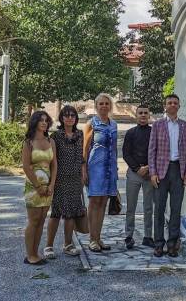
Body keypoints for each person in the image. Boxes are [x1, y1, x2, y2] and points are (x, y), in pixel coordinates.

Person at [148, 94, 186, 258]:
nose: (172, 105)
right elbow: (151, 150)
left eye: (175, 103)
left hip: (178, 171)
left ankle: (173, 244)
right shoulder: (157, 125)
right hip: (161, 172)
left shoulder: (185, 126)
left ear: (179, 106)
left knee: (176, 209)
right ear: (165, 106)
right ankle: (159, 244)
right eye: (170, 103)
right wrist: (152, 172)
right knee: (159, 209)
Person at [44, 105, 84, 259]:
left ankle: (68, 244)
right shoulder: (55, 136)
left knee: (71, 213)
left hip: (75, 179)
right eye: (66, 115)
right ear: (61, 118)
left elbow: (81, 157)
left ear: (76, 118)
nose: (70, 118)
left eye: (72, 115)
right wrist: (51, 181)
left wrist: (83, 174)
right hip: (60, 179)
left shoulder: (80, 134)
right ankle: (48, 246)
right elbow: (52, 160)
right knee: (56, 213)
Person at [83, 93, 118, 253]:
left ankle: (98, 237)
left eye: (106, 103)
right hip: (95, 167)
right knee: (94, 202)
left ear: (110, 106)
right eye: (101, 103)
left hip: (109, 168)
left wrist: (115, 168)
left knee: (103, 202)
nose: (104, 106)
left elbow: (114, 148)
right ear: (96, 106)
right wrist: (84, 170)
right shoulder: (91, 123)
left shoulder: (114, 124)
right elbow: (84, 149)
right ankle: (92, 239)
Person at [22, 111, 57, 265]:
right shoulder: (28, 142)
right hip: (33, 187)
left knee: (42, 220)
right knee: (33, 220)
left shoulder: (51, 141)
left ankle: (35, 253)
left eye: (46, 120)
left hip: (48, 188)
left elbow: (54, 164)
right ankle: (30, 255)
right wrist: (38, 186)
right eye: (41, 120)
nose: (44, 123)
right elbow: (26, 166)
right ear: (35, 122)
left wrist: (52, 185)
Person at [122, 105, 154, 249]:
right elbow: (126, 153)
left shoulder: (154, 132)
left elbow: (157, 152)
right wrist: (137, 168)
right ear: (136, 115)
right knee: (131, 207)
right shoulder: (130, 133)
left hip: (149, 173)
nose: (143, 115)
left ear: (149, 115)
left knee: (148, 207)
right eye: (140, 113)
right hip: (133, 173)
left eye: (145, 113)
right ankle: (129, 236)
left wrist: (148, 168)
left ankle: (148, 236)